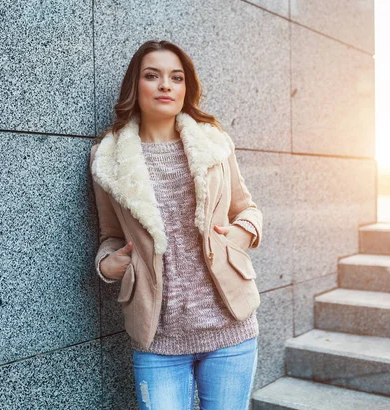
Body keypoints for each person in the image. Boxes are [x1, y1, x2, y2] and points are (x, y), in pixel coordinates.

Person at [89, 39, 263, 410]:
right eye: (153, 76)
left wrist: (240, 233)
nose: (166, 85)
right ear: (136, 86)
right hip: (158, 338)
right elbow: (110, 237)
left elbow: (247, 209)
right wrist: (108, 265)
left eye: (176, 77)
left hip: (229, 329)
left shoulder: (214, 143)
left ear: (187, 88)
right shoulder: (107, 157)